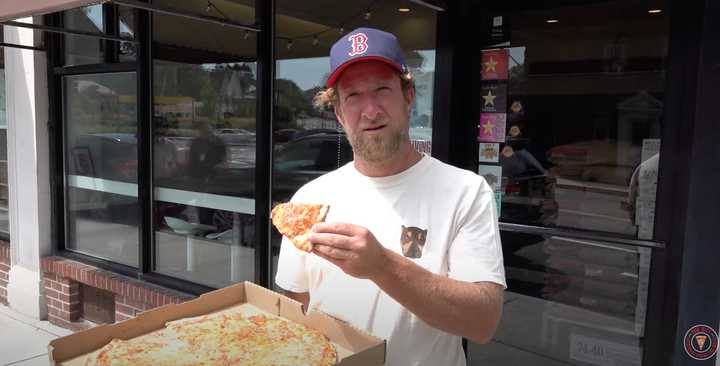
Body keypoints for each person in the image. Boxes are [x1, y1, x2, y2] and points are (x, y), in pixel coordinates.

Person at [275, 27, 506, 366]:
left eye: (382, 89)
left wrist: (382, 266)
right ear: (338, 112)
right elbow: (295, 308)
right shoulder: (309, 200)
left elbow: (483, 322)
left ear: (408, 97)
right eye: (352, 96)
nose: (370, 110)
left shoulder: (465, 191)